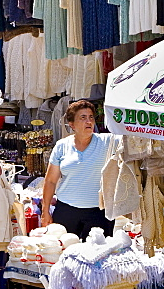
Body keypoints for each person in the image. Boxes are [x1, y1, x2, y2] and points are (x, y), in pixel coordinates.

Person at [41, 99, 118, 240]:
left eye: (91, 117)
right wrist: (45, 211)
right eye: (83, 118)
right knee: (63, 252)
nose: (89, 122)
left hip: (99, 212)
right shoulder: (62, 146)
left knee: (99, 256)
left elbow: (132, 139)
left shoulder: (108, 141)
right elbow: (51, 181)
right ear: (72, 125)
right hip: (67, 211)